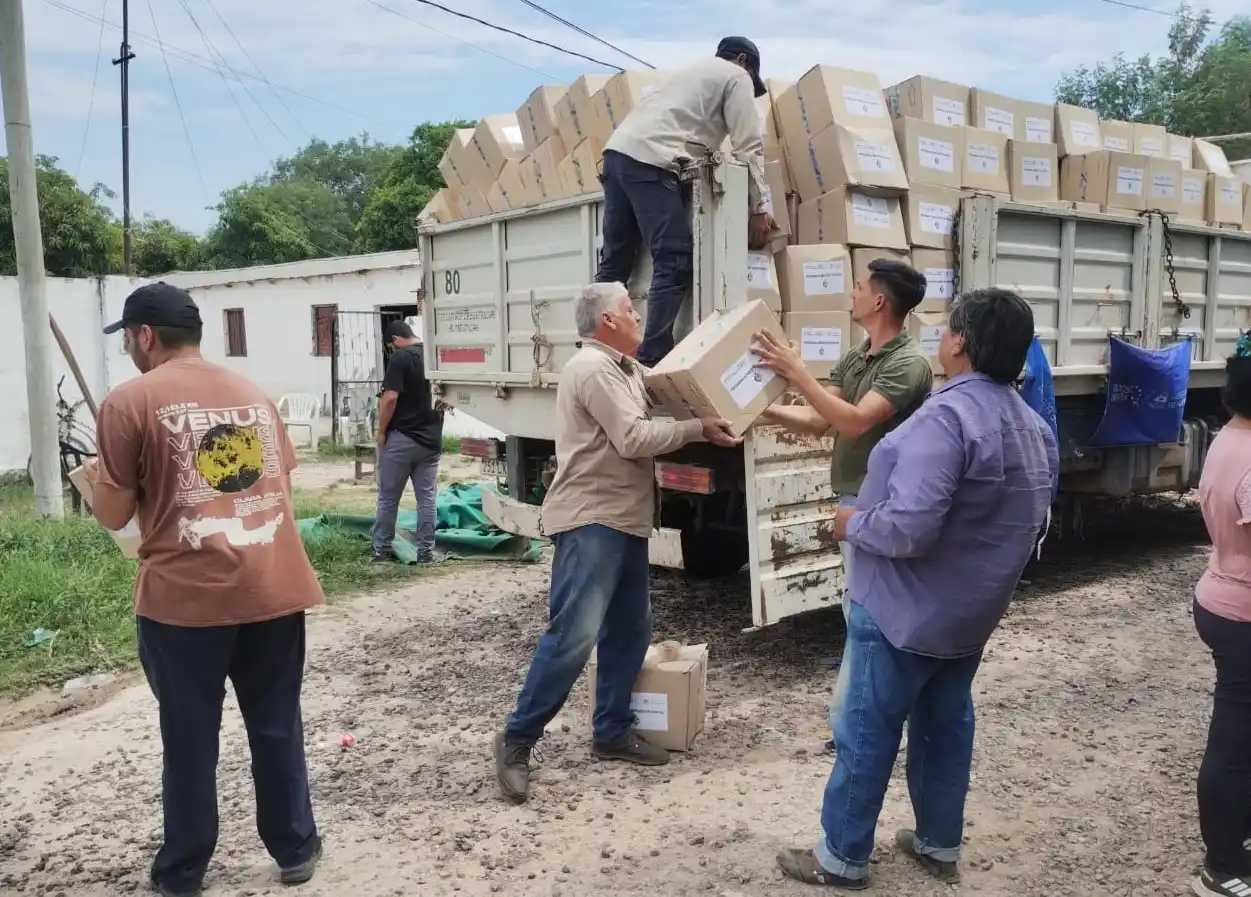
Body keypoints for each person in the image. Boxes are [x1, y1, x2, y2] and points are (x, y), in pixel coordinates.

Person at [774, 288, 1058, 890]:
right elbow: (1031, 523)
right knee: (945, 725)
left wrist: (853, 523)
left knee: (866, 730)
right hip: (970, 615)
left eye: (948, 331)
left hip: (903, 610)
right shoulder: (1033, 427)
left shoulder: (946, 418)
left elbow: (910, 525)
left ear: (959, 342)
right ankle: (938, 842)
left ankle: (842, 858)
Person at [85, 282, 324, 897]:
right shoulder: (252, 393)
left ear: (143, 337)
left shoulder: (128, 401)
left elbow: (115, 516)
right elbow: (278, 484)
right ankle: (295, 847)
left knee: (190, 736)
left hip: (185, 601)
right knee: (276, 724)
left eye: (130, 340)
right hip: (273, 586)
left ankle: (184, 870)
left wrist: (98, 482)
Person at [494, 282, 741, 803]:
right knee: (574, 636)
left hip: (624, 520)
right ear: (607, 321)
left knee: (631, 631)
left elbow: (670, 386)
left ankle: (611, 731)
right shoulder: (594, 370)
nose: (639, 316)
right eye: (630, 310)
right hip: (593, 519)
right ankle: (517, 740)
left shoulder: (626, 370)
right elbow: (633, 439)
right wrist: (697, 427)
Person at [752, 258, 933, 740]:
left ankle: (859, 726)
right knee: (860, 610)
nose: (850, 294)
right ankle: (867, 719)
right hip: (856, 498)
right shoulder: (859, 358)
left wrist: (797, 372)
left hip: (884, 504)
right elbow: (819, 420)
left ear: (879, 301)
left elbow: (855, 420)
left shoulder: (908, 363)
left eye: (858, 287)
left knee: (869, 614)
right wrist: (753, 411)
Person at [597, 36, 777, 367]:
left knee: (615, 264)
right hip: (651, 161)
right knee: (674, 258)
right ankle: (652, 359)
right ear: (742, 61)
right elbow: (748, 146)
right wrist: (759, 207)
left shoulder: (688, 72)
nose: (749, 89)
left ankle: (597, 352)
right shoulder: (735, 75)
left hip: (616, 156)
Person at [1191, 335, 1251, 897]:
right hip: (1243, 616)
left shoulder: (1229, 437)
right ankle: (1222, 866)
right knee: (1234, 745)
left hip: (1221, 595)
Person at [372, 319, 444, 564]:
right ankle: (425, 554)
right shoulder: (435, 356)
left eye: (390, 347)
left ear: (394, 340)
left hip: (402, 439)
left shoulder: (400, 359)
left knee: (388, 497)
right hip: (431, 441)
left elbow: (390, 398)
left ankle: (381, 551)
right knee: (427, 499)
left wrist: (381, 432)